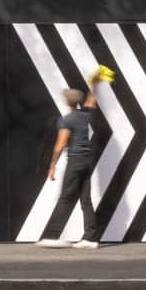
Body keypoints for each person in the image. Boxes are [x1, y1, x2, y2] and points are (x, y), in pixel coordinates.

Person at [39, 66, 110, 249]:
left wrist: (52, 165)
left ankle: (52, 236)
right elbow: (91, 100)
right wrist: (94, 85)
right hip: (87, 162)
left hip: (76, 161)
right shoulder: (84, 115)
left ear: (67, 102)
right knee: (85, 199)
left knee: (65, 198)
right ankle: (90, 238)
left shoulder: (66, 120)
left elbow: (60, 144)